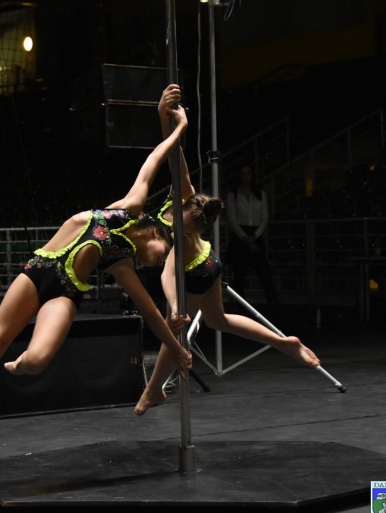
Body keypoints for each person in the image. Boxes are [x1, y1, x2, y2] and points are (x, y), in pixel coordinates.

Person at [0, 101, 193, 465]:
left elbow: (152, 315)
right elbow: (155, 159)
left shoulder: (122, 263)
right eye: (163, 252)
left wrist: (176, 348)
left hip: (65, 292)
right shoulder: (130, 207)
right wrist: (176, 126)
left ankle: (20, 365)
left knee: (36, 362)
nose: (159, 261)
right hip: (38, 270)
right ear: (156, 233)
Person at [135, 85, 321, 416]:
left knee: (173, 329)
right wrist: (164, 116)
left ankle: (153, 390)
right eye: (185, 228)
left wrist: (175, 305)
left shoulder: (182, 234)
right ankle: (283, 342)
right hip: (211, 262)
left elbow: (169, 271)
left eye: (188, 232)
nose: (183, 232)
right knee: (218, 320)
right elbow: (173, 152)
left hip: (196, 271)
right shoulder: (185, 192)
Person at [225, 165, 283, 318]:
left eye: (248, 173)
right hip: (240, 237)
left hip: (256, 235)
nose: (246, 176)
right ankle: (241, 313)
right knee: (239, 279)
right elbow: (232, 219)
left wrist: (255, 236)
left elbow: (264, 217)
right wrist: (245, 238)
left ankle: (276, 312)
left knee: (265, 276)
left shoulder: (260, 193)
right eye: (243, 173)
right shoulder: (233, 195)